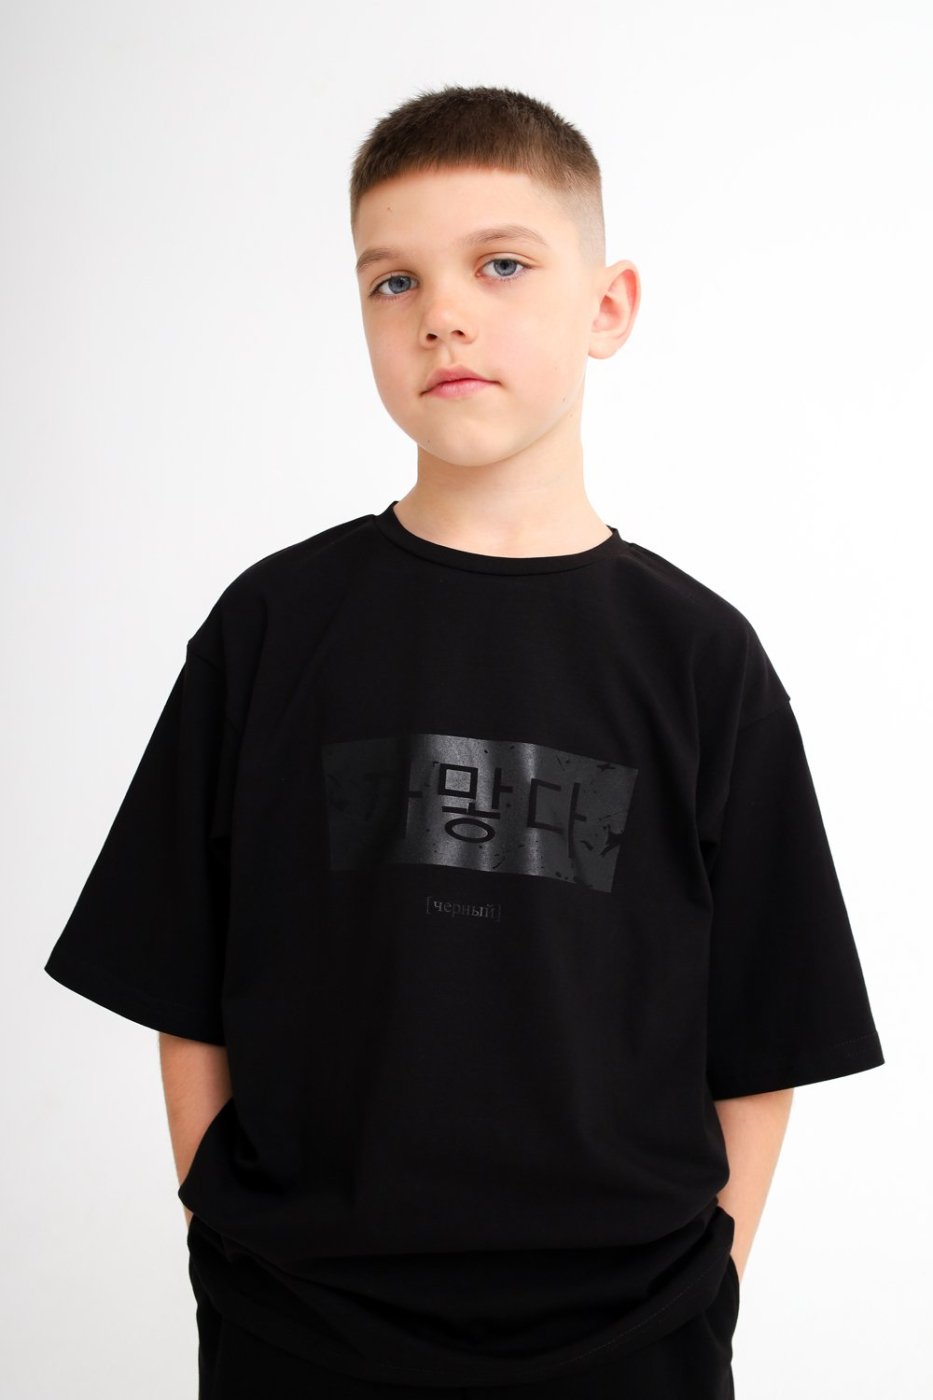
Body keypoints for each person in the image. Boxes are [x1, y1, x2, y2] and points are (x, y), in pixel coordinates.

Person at [44, 84, 885, 1399]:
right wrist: (227, 1228)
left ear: (607, 306)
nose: (441, 312)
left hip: (626, 1338)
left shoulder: (700, 658)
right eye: (393, 280)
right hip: (301, 1328)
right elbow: (179, 978)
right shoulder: (273, 626)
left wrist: (707, 1278)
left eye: (501, 264)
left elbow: (766, 1030)